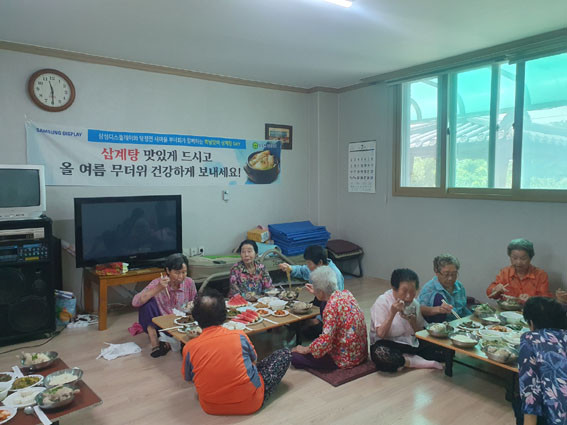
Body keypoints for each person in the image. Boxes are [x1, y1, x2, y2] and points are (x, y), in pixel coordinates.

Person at [181, 289, 291, 415]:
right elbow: (254, 360)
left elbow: (189, 379)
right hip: (251, 403)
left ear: (196, 317)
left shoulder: (189, 347)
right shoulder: (239, 335)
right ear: (224, 314)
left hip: (211, 408)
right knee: (285, 354)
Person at [291, 266, 368, 370]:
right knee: (323, 305)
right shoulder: (346, 294)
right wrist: (317, 292)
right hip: (360, 353)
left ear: (321, 292)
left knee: (295, 357)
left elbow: (325, 343)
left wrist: (304, 349)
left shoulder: (331, 308)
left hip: (345, 358)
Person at [369, 268, 445, 372]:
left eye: (412, 292)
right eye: (404, 291)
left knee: (444, 351)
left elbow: (420, 333)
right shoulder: (382, 302)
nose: (408, 296)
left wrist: (413, 322)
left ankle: (404, 360)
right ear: (394, 288)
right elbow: (381, 334)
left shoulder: (414, 303)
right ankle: (414, 361)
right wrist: (392, 313)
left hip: (410, 343)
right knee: (380, 353)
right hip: (388, 343)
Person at [132, 253, 197, 357]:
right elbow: (135, 302)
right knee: (146, 304)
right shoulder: (158, 282)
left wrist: (191, 305)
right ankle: (155, 342)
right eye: (177, 273)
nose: (181, 277)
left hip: (181, 322)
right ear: (168, 270)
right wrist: (159, 288)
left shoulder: (189, 283)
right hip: (161, 322)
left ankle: (169, 342)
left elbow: (194, 303)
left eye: (184, 272)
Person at [516, 297, 567, 425]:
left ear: (531, 323)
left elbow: (530, 393)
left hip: (559, 416)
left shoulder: (531, 339)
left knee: (518, 403)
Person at [279, 245, 344, 338]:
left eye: (309, 263)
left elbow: (336, 305)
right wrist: (290, 268)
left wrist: (318, 319)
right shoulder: (317, 267)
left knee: (309, 329)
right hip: (321, 300)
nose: (308, 266)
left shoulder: (334, 275)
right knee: (298, 316)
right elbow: (302, 270)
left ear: (320, 262)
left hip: (331, 307)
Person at [487, 239, 552, 302]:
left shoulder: (540, 275)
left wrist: (532, 300)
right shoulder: (505, 272)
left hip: (531, 309)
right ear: (510, 257)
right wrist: (495, 290)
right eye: (514, 258)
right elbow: (490, 294)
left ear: (530, 258)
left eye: (523, 258)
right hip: (507, 309)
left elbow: (546, 300)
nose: (518, 262)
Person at [418, 254, 471, 322]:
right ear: (437, 272)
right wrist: (438, 309)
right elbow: (420, 309)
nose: (450, 278)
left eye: (454, 274)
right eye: (446, 274)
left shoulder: (459, 286)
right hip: (442, 325)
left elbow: (463, 308)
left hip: (460, 323)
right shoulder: (429, 288)